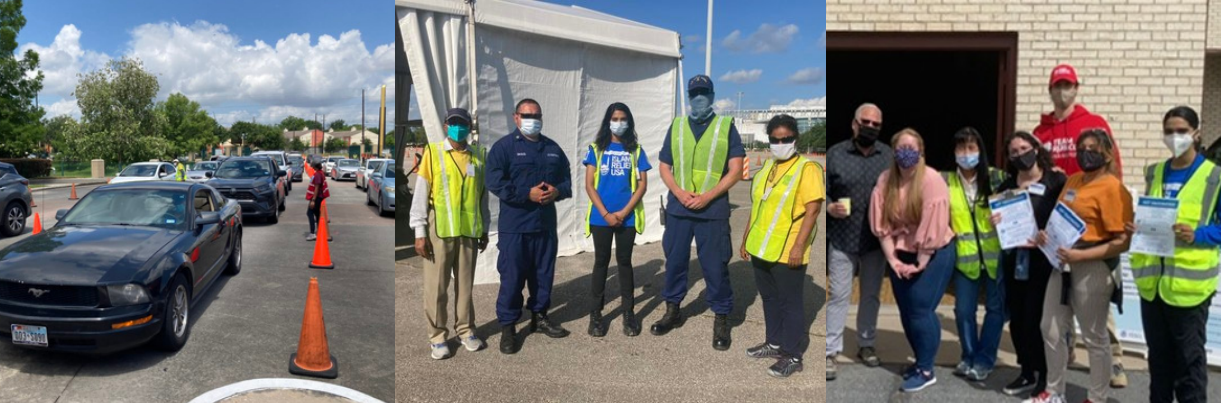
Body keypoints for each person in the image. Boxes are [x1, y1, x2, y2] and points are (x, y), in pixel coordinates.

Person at [1035, 64, 1129, 387]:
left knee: (1096, 313)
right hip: (1060, 225)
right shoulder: (1041, 132)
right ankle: (1065, 360)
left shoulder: (1093, 124)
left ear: (1076, 88)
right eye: (1057, 85)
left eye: (1068, 84)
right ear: (1050, 90)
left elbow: (1112, 168)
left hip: (1091, 230)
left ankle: (1113, 363)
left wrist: (1113, 202)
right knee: (1059, 311)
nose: (1062, 90)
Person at [1026, 129, 1132, 403]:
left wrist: (1081, 257)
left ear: (1107, 153)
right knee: (1049, 327)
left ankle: (1096, 398)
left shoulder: (1113, 188)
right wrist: (1045, 236)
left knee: (1094, 337)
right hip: (1061, 262)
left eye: (1093, 148)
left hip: (1093, 265)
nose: (1086, 153)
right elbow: (1060, 218)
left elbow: (1122, 241)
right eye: (1081, 147)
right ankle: (1054, 391)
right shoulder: (1073, 180)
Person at [1129, 106, 1217, 403]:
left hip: (1189, 290)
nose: (1174, 137)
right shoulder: (1155, 172)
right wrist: (1137, 227)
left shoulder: (1214, 177)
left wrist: (1198, 235)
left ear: (1196, 133)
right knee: (1159, 362)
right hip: (1153, 287)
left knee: (1189, 366)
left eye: (1181, 131)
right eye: (1169, 131)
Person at [652, 74, 745, 351]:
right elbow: (665, 166)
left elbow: (736, 169)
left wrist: (707, 196)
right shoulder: (678, 125)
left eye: (704, 93)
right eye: (695, 94)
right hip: (679, 208)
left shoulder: (725, 126)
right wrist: (679, 193)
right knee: (676, 262)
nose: (699, 98)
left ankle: (721, 316)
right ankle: (673, 309)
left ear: (713, 96)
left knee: (715, 266)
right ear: (689, 97)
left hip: (712, 208)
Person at [869, 128, 955, 392]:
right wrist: (893, 260)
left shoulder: (931, 180)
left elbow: (933, 227)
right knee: (906, 311)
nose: (907, 153)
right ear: (894, 151)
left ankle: (927, 369)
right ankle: (919, 360)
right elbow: (881, 224)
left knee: (920, 309)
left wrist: (921, 262)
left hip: (934, 250)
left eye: (912, 148)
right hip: (901, 251)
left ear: (921, 151)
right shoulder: (886, 180)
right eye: (902, 148)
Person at [739, 114, 824, 378]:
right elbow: (757, 207)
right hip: (762, 248)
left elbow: (813, 210)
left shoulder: (807, 169)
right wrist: (745, 240)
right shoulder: (767, 167)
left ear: (795, 139)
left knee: (790, 303)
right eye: (775, 139)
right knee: (770, 299)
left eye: (786, 138)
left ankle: (792, 355)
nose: (780, 143)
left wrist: (799, 247)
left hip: (789, 251)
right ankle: (773, 343)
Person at [486, 98, 573, 354]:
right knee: (512, 278)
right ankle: (508, 326)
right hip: (516, 227)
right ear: (516, 118)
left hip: (544, 227)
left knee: (543, 275)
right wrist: (527, 194)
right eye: (526, 115)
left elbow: (567, 180)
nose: (531, 119)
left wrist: (558, 191)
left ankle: (540, 316)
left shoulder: (553, 149)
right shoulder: (503, 148)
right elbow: (495, 182)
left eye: (536, 115)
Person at [409, 108, 490, 360]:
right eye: (454, 123)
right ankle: (438, 336)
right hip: (440, 230)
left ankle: (466, 330)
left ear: (469, 126)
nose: (459, 127)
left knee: (465, 286)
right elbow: (421, 195)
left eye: (463, 123)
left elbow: (482, 198)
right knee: (437, 287)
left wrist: (484, 229)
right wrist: (419, 232)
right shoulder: (433, 153)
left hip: (468, 231)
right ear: (446, 126)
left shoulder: (478, 155)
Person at [994, 131, 1067, 399]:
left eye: (1024, 148)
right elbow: (1000, 219)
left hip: (1045, 260)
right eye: (1014, 152)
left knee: (1039, 320)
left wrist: (1051, 235)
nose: (1020, 155)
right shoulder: (1005, 186)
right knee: (1018, 318)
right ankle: (1026, 370)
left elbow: (1068, 214)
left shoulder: (1056, 180)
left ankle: (1045, 375)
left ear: (1036, 148)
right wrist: (996, 222)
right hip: (1016, 259)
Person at [825, 103, 892, 380]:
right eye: (866, 122)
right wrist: (829, 208)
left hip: (876, 242)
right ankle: (830, 350)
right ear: (854, 124)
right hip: (842, 238)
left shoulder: (889, 156)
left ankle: (866, 343)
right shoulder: (836, 154)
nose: (870, 127)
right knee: (839, 295)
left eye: (876, 124)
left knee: (871, 296)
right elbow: (823, 190)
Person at [943, 127, 1007, 382]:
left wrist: (1005, 216)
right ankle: (968, 355)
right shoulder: (945, 180)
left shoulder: (997, 177)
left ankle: (985, 359)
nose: (966, 153)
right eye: (961, 148)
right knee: (963, 311)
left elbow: (1018, 206)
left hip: (994, 258)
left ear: (980, 150)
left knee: (995, 310)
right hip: (964, 258)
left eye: (971, 148)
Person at [582, 102, 651, 337]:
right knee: (601, 263)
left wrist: (622, 213)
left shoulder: (637, 150)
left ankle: (628, 314)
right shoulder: (596, 149)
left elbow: (642, 185)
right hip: (601, 218)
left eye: (623, 119)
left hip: (627, 218)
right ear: (607, 121)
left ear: (629, 122)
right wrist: (606, 214)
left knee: (624, 263)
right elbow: (589, 185)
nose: (619, 123)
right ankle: (595, 315)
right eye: (615, 118)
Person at [305, 160, 328, 241]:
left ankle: (312, 233)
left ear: (315, 166)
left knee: (310, 213)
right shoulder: (320, 173)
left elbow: (317, 187)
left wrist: (313, 200)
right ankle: (319, 231)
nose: (312, 168)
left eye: (313, 166)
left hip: (317, 197)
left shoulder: (318, 174)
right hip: (319, 197)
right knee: (317, 214)